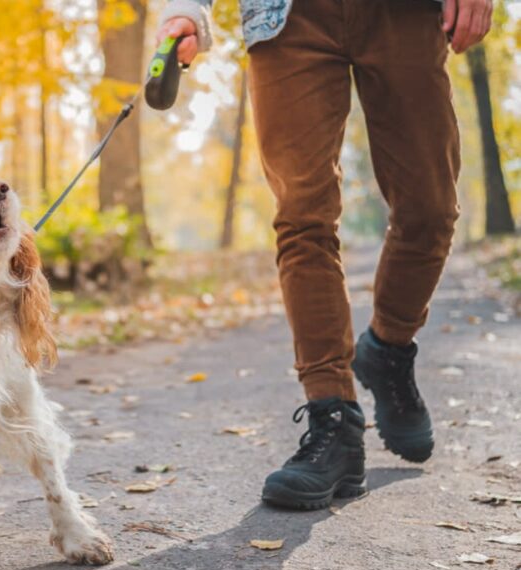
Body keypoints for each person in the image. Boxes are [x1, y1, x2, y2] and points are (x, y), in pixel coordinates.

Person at [155, 0, 492, 510]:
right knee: (303, 217)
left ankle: (389, 349)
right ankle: (332, 417)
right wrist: (187, 10)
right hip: (286, 18)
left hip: (404, 14)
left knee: (431, 207)